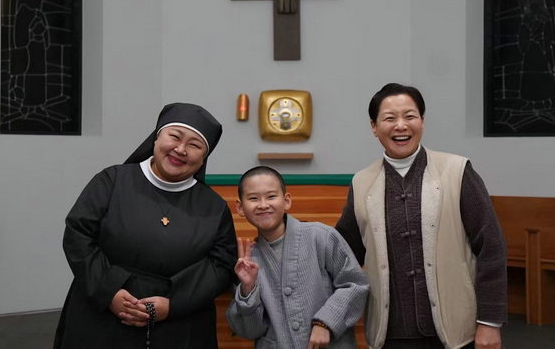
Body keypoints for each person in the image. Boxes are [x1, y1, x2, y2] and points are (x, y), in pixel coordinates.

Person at [336, 84, 507, 349]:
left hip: (457, 333)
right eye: (389, 118)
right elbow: (342, 256)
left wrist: (489, 322)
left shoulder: (457, 171)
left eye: (410, 116)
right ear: (374, 127)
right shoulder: (361, 184)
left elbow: (491, 247)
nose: (401, 126)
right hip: (389, 335)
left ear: (422, 121)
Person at [54, 103, 238, 348]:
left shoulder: (214, 207)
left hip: (178, 322)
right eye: (174, 137)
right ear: (156, 137)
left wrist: (172, 304)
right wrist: (109, 292)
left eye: (195, 145)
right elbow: (78, 234)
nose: (180, 149)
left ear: (204, 157)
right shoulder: (112, 181)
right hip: (101, 311)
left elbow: (222, 265)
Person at [226, 166, 369, 349]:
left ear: (286, 201)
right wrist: (247, 289)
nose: (263, 204)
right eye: (253, 198)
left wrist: (325, 322)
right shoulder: (247, 263)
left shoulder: (321, 236)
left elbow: (355, 284)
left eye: (271, 196)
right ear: (240, 207)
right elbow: (250, 331)